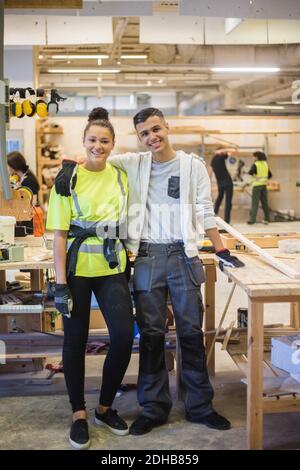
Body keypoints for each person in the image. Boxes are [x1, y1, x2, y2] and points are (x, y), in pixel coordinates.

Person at [55, 107, 244, 437]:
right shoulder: (133, 164)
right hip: (145, 257)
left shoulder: (192, 166)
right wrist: (67, 165)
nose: (152, 137)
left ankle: (200, 406)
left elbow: (204, 210)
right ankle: (154, 408)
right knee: (152, 336)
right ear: (138, 138)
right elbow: (95, 155)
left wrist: (221, 248)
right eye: (144, 134)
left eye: (156, 129)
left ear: (166, 127)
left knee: (190, 334)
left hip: (183, 255)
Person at [46, 108, 134, 450]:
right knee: (75, 341)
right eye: (93, 140)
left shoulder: (120, 177)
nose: (98, 145)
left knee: (125, 337)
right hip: (78, 271)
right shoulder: (67, 180)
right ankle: (78, 412)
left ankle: (105, 407)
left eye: (105, 141)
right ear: (83, 142)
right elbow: (58, 235)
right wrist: (60, 284)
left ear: (113, 144)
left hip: (112, 268)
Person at [7, 151, 41, 235]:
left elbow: (33, 201)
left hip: (30, 219)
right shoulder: (21, 177)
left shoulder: (29, 179)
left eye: (8, 165)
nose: (7, 168)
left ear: (13, 166)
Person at [209, 147, 235, 224]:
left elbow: (209, 173)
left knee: (221, 199)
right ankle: (226, 220)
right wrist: (221, 151)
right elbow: (233, 150)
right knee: (226, 201)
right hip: (227, 182)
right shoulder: (220, 156)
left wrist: (220, 151)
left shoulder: (214, 159)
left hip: (222, 183)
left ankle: (215, 216)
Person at [247, 151, 272, 225]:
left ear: (256, 157)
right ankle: (267, 219)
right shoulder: (265, 164)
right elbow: (270, 175)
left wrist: (256, 177)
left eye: (254, 156)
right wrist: (263, 179)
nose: (253, 158)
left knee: (255, 203)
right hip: (264, 185)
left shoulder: (256, 164)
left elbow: (250, 172)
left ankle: (252, 220)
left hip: (257, 186)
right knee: (265, 203)